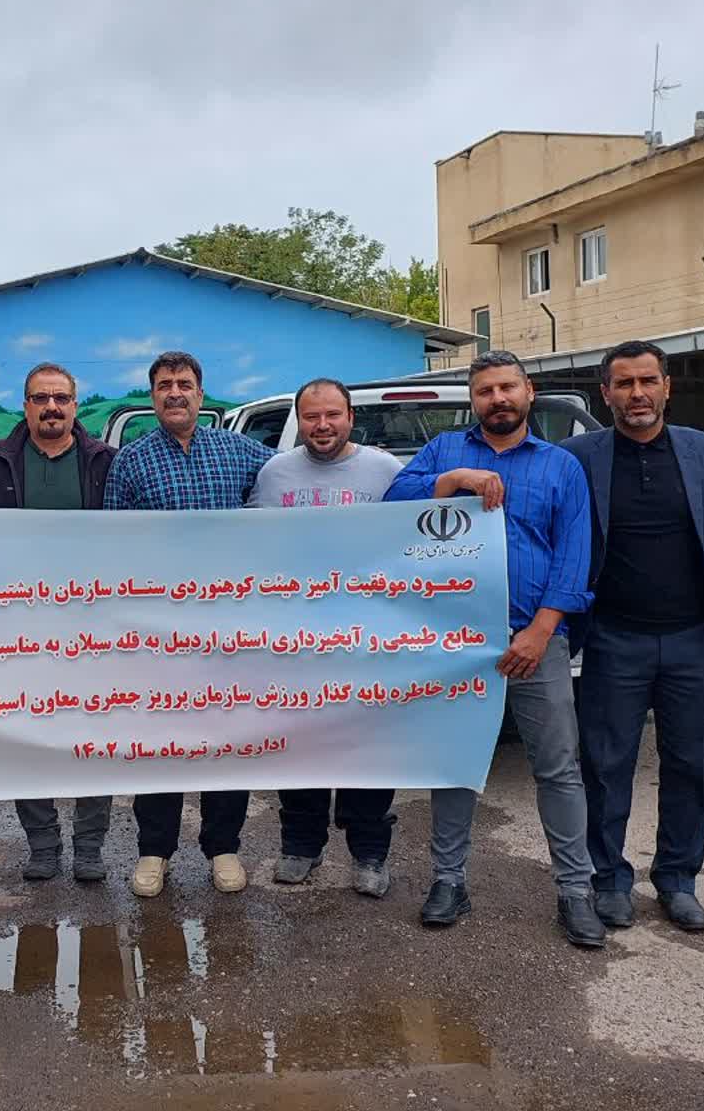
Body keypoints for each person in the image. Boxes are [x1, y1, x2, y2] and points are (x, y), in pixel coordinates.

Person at [383, 349, 605, 948]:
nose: (497, 399)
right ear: (473, 399)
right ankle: (448, 880)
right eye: (485, 390)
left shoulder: (561, 466)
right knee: (456, 764)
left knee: (557, 767)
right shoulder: (443, 452)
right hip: (454, 641)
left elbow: (574, 555)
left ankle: (575, 891)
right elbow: (391, 506)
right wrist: (451, 483)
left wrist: (541, 631)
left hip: (535, 639)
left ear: (529, 392)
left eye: (507, 387)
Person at [563, 341, 704, 934]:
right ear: (605, 393)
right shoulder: (579, 456)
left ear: (667, 386)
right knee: (605, 766)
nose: (637, 394)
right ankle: (609, 879)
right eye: (624, 384)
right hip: (612, 640)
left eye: (647, 381)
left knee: (692, 764)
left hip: (693, 640)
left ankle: (678, 879)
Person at [104, 350, 275, 898]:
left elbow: (295, 488)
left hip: (229, 629)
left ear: (201, 394)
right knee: (161, 741)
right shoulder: (131, 462)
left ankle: (223, 847)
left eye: (183, 383)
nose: (174, 393)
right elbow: (113, 546)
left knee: (227, 739)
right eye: (163, 385)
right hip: (160, 631)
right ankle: (155, 850)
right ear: (152, 396)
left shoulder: (242, 452)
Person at [247, 378, 403, 898]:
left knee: (370, 748)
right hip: (296, 641)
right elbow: (252, 548)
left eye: (332, 415)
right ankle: (300, 846)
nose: (322, 425)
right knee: (301, 746)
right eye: (311, 416)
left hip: (368, 639)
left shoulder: (386, 470)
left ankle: (370, 854)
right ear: (300, 421)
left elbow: (416, 540)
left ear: (351, 418)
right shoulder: (275, 474)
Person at [0, 362, 118, 882]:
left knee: (96, 734)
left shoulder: (105, 461)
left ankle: (89, 846)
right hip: (19, 627)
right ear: (26, 405)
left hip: (95, 627)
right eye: (41, 398)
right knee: (27, 734)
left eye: (61, 398)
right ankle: (42, 844)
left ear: (75, 405)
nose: (51, 407)